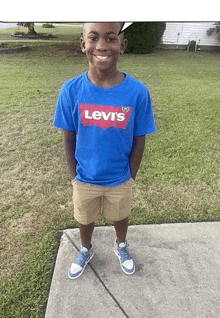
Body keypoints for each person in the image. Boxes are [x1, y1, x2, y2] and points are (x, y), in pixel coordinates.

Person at [53, 22, 157, 279]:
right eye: (93, 38)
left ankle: (121, 245)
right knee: (84, 217)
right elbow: (69, 138)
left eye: (110, 38)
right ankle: (86, 249)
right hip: (85, 177)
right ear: (83, 44)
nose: (101, 46)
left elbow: (139, 139)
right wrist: (74, 176)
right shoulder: (71, 90)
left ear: (122, 45)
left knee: (120, 215)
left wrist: (130, 175)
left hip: (120, 177)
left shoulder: (138, 92)